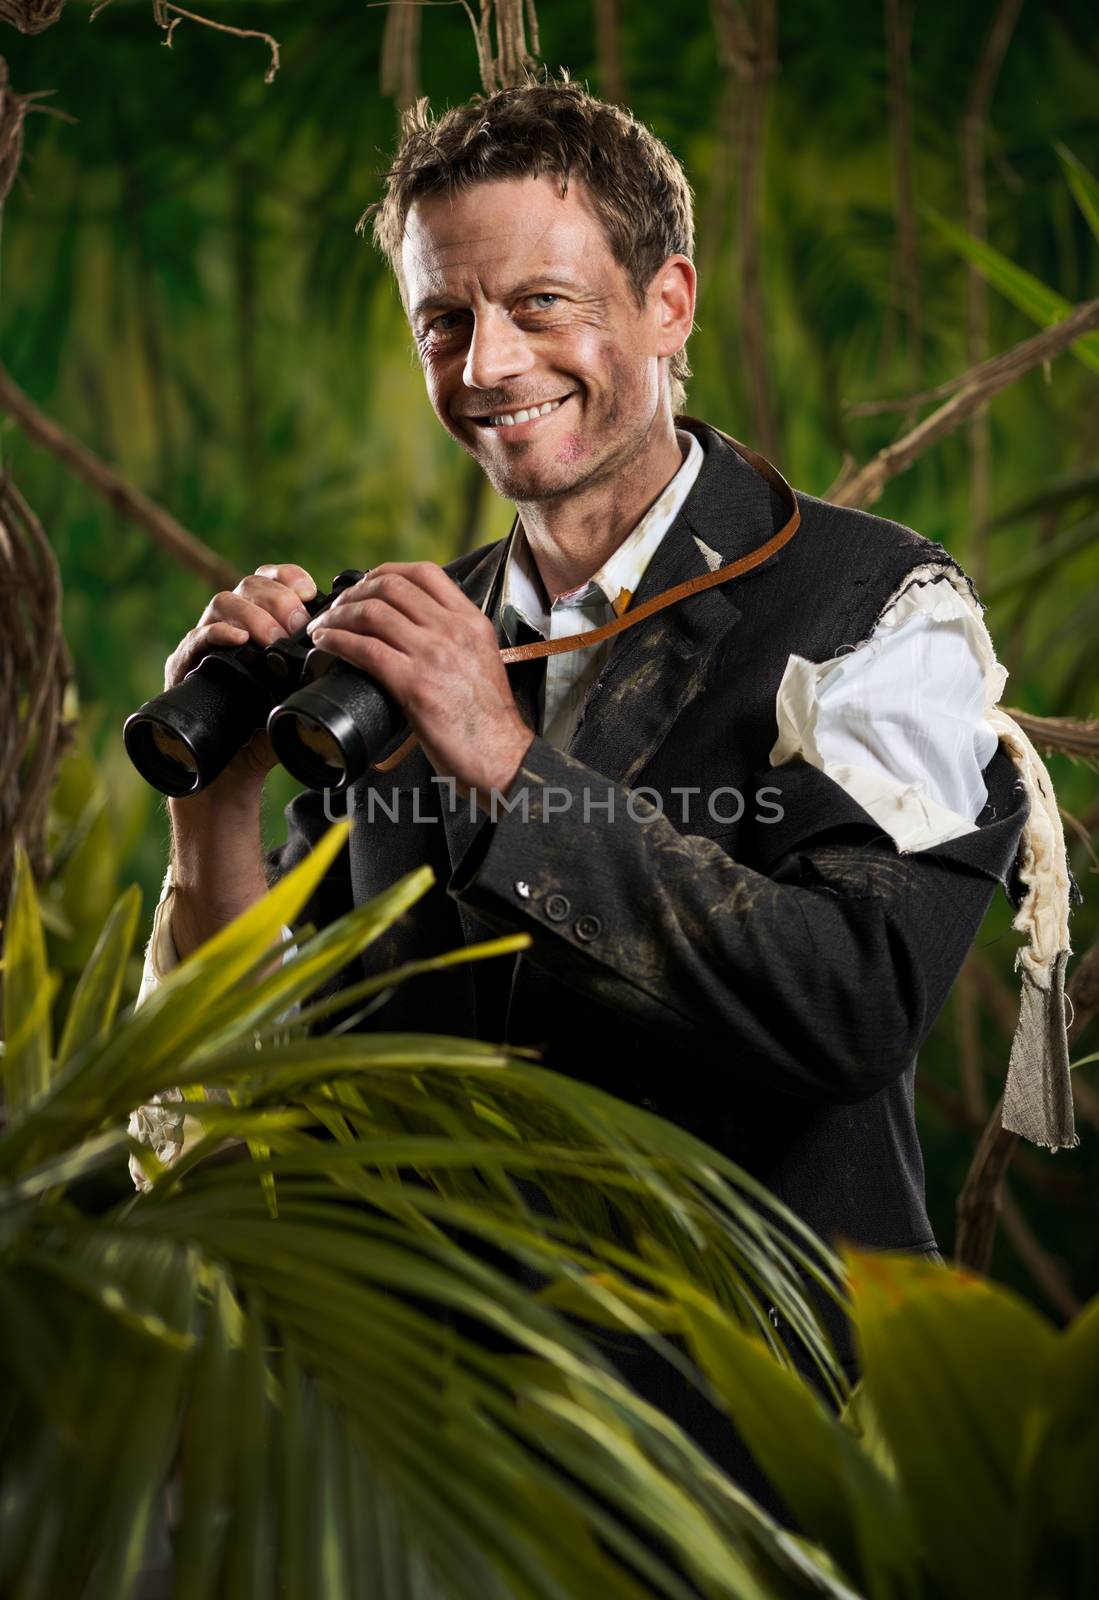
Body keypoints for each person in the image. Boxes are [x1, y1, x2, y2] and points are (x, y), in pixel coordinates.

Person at [130, 76, 1076, 1503]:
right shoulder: (399, 649)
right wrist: (216, 808)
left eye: (544, 304)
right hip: (424, 1443)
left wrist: (508, 761)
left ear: (670, 304)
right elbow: (265, 1092)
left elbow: (855, 1004)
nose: (489, 363)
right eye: (445, 318)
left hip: (745, 1456)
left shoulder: (879, 608)